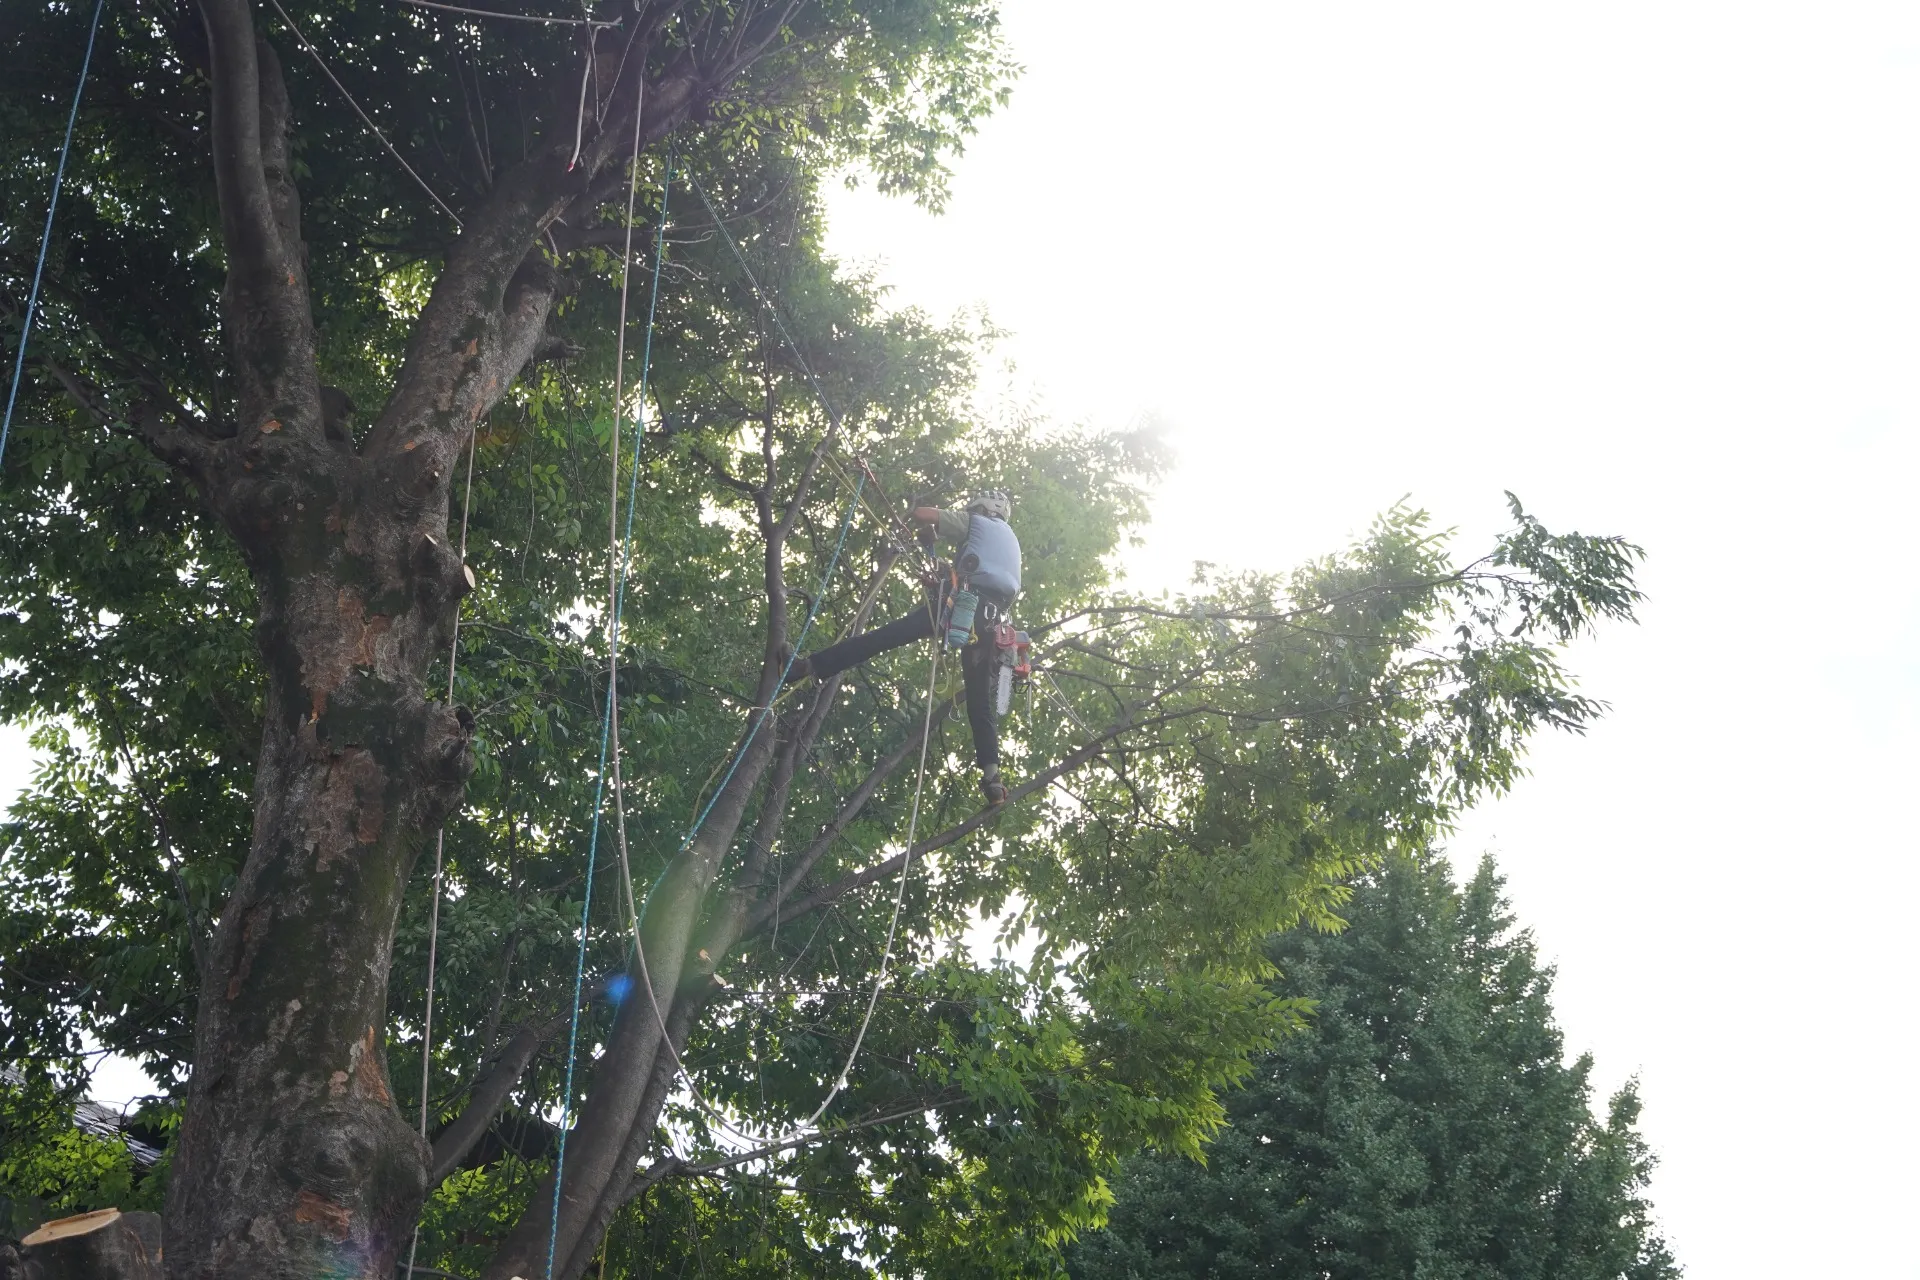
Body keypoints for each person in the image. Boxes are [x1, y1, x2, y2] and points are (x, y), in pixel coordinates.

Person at [791, 489, 1021, 806]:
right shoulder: (1011, 544)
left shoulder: (977, 523)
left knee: (884, 637)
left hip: (961, 608)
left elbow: (923, 514)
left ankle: (809, 667)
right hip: (994, 627)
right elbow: (978, 574)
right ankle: (993, 780)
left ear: (983, 507)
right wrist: (939, 565)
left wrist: (926, 524)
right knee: (980, 705)